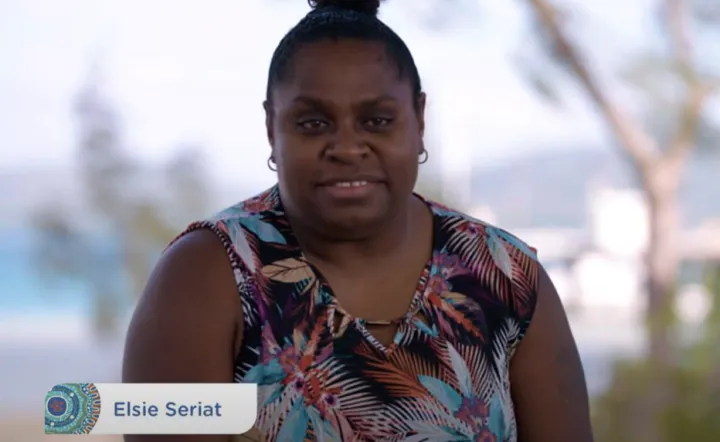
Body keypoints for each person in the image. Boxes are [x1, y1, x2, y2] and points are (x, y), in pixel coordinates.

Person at [122, 0, 594, 441]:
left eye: (377, 121)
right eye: (313, 123)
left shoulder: (504, 274)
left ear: (419, 120)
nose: (347, 148)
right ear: (272, 127)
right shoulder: (206, 277)